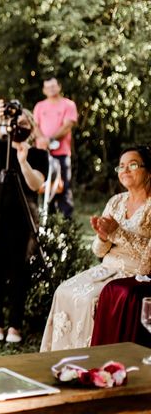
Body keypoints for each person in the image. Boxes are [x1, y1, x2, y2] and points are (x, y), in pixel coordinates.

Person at [41, 146, 151, 352]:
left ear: (148, 170)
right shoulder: (116, 201)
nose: (125, 170)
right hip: (106, 268)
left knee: (88, 299)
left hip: (134, 274)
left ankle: (87, 359)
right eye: (121, 166)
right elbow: (99, 252)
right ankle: (59, 357)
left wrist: (117, 232)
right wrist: (102, 235)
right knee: (63, 290)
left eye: (133, 165)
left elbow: (148, 259)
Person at [0, 101, 48, 344]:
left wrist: (23, 160)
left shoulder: (38, 154)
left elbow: (35, 184)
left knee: (19, 271)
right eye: (15, 123)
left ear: (32, 128)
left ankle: (15, 325)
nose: (19, 127)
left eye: (24, 123)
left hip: (21, 219)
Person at [33, 76, 78, 218]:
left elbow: (67, 126)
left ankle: (66, 224)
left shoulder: (68, 105)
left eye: (53, 86)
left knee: (63, 188)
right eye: (48, 87)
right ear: (44, 90)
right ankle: (48, 222)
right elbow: (34, 126)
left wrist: (50, 139)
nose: (51, 89)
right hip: (43, 154)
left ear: (59, 87)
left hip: (62, 154)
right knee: (44, 188)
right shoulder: (39, 106)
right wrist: (42, 140)